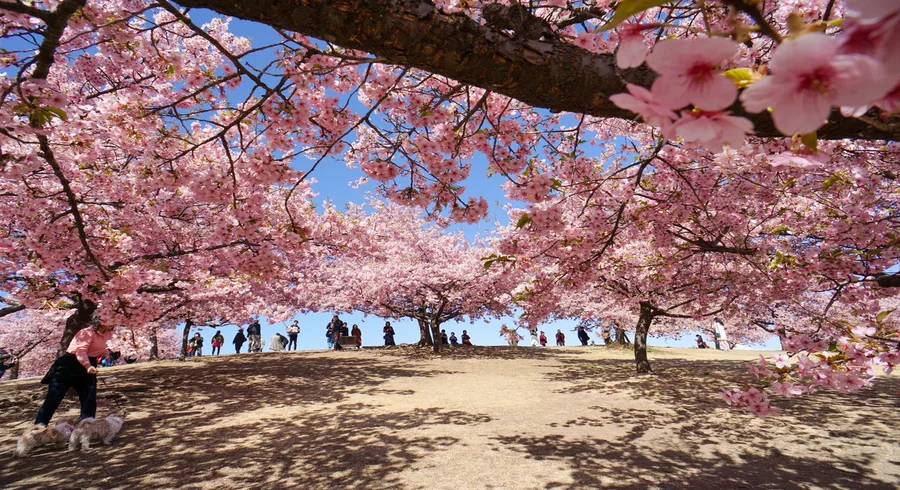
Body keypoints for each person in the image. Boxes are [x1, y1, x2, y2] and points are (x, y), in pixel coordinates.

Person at [33, 319, 114, 427]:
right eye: (108, 317)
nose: (113, 320)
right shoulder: (87, 332)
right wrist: (87, 366)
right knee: (53, 400)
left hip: (88, 366)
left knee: (89, 400)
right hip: (69, 365)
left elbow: (105, 349)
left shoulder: (109, 335)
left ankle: (86, 430)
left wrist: (110, 354)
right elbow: (81, 351)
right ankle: (38, 430)